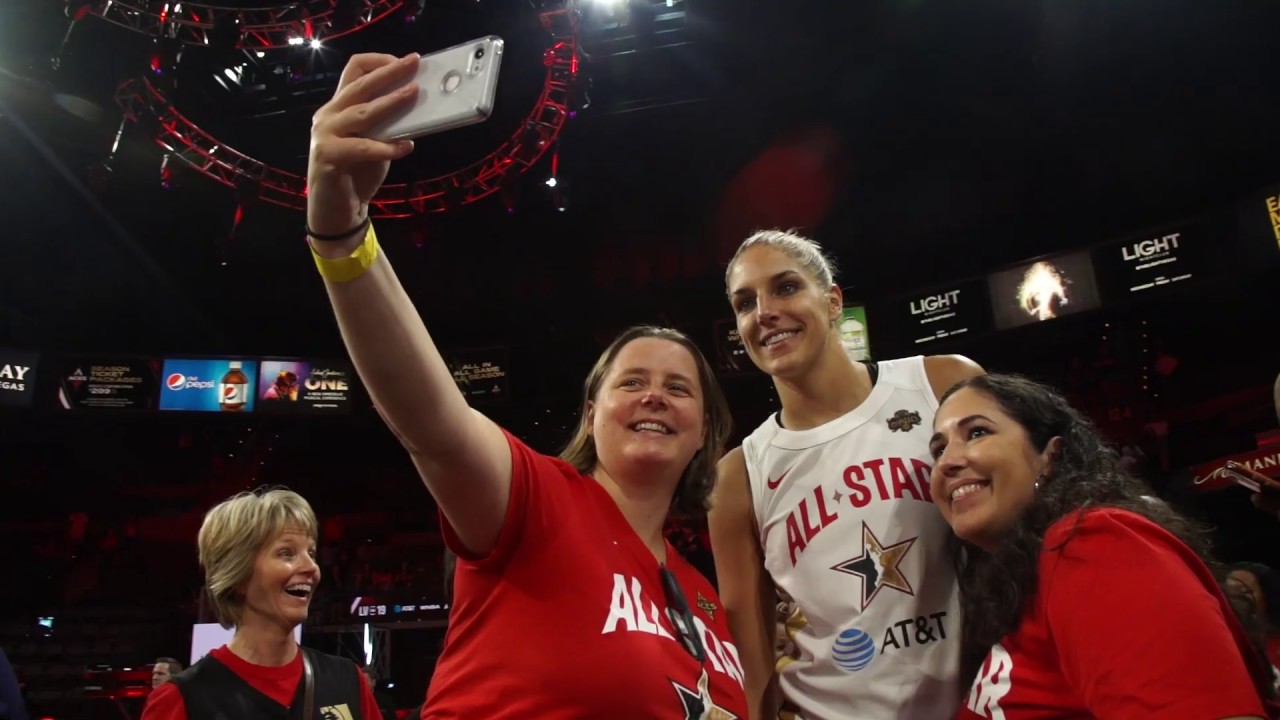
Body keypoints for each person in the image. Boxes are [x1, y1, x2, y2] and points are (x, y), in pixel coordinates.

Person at [304, 52, 747, 717]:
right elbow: (431, 420)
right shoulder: (535, 499)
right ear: (592, 413)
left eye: (679, 388)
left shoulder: (705, 599)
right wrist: (343, 235)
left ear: (705, 430)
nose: (655, 395)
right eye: (632, 381)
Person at [711, 228, 983, 718]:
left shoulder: (942, 382)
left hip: (975, 701)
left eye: (786, 287)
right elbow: (753, 663)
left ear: (833, 301)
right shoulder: (737, 477)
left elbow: (1029, 542)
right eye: (745, 303)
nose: (764, 311)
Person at [928, 373, 1275, 718]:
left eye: (977, 433)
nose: (947, 462)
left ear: (1051, 454)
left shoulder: (1092, 541)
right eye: (938, 450)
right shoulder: (1030, 577)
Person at [142, 488, 382, 720]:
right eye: (286, 553)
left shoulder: (348, 681)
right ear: (238, 575)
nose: (311, 567)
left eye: (311, 553)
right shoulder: (182, 699)